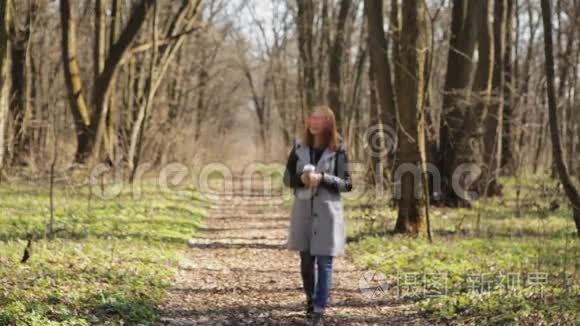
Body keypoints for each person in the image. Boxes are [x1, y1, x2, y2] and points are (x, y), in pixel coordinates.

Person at [282, 105, 353, 325]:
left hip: (327, 213)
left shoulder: (338, 150)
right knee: (306, 262)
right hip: (303, 212)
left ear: (328, 124)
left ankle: (319, 310)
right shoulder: (299, 147)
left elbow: (347, 184)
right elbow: (287, 178)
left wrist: (323, 178)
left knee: (324, 263)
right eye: (312, 118)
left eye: (320, 119)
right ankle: (311, 302)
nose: (314, 123)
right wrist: (301, 180)